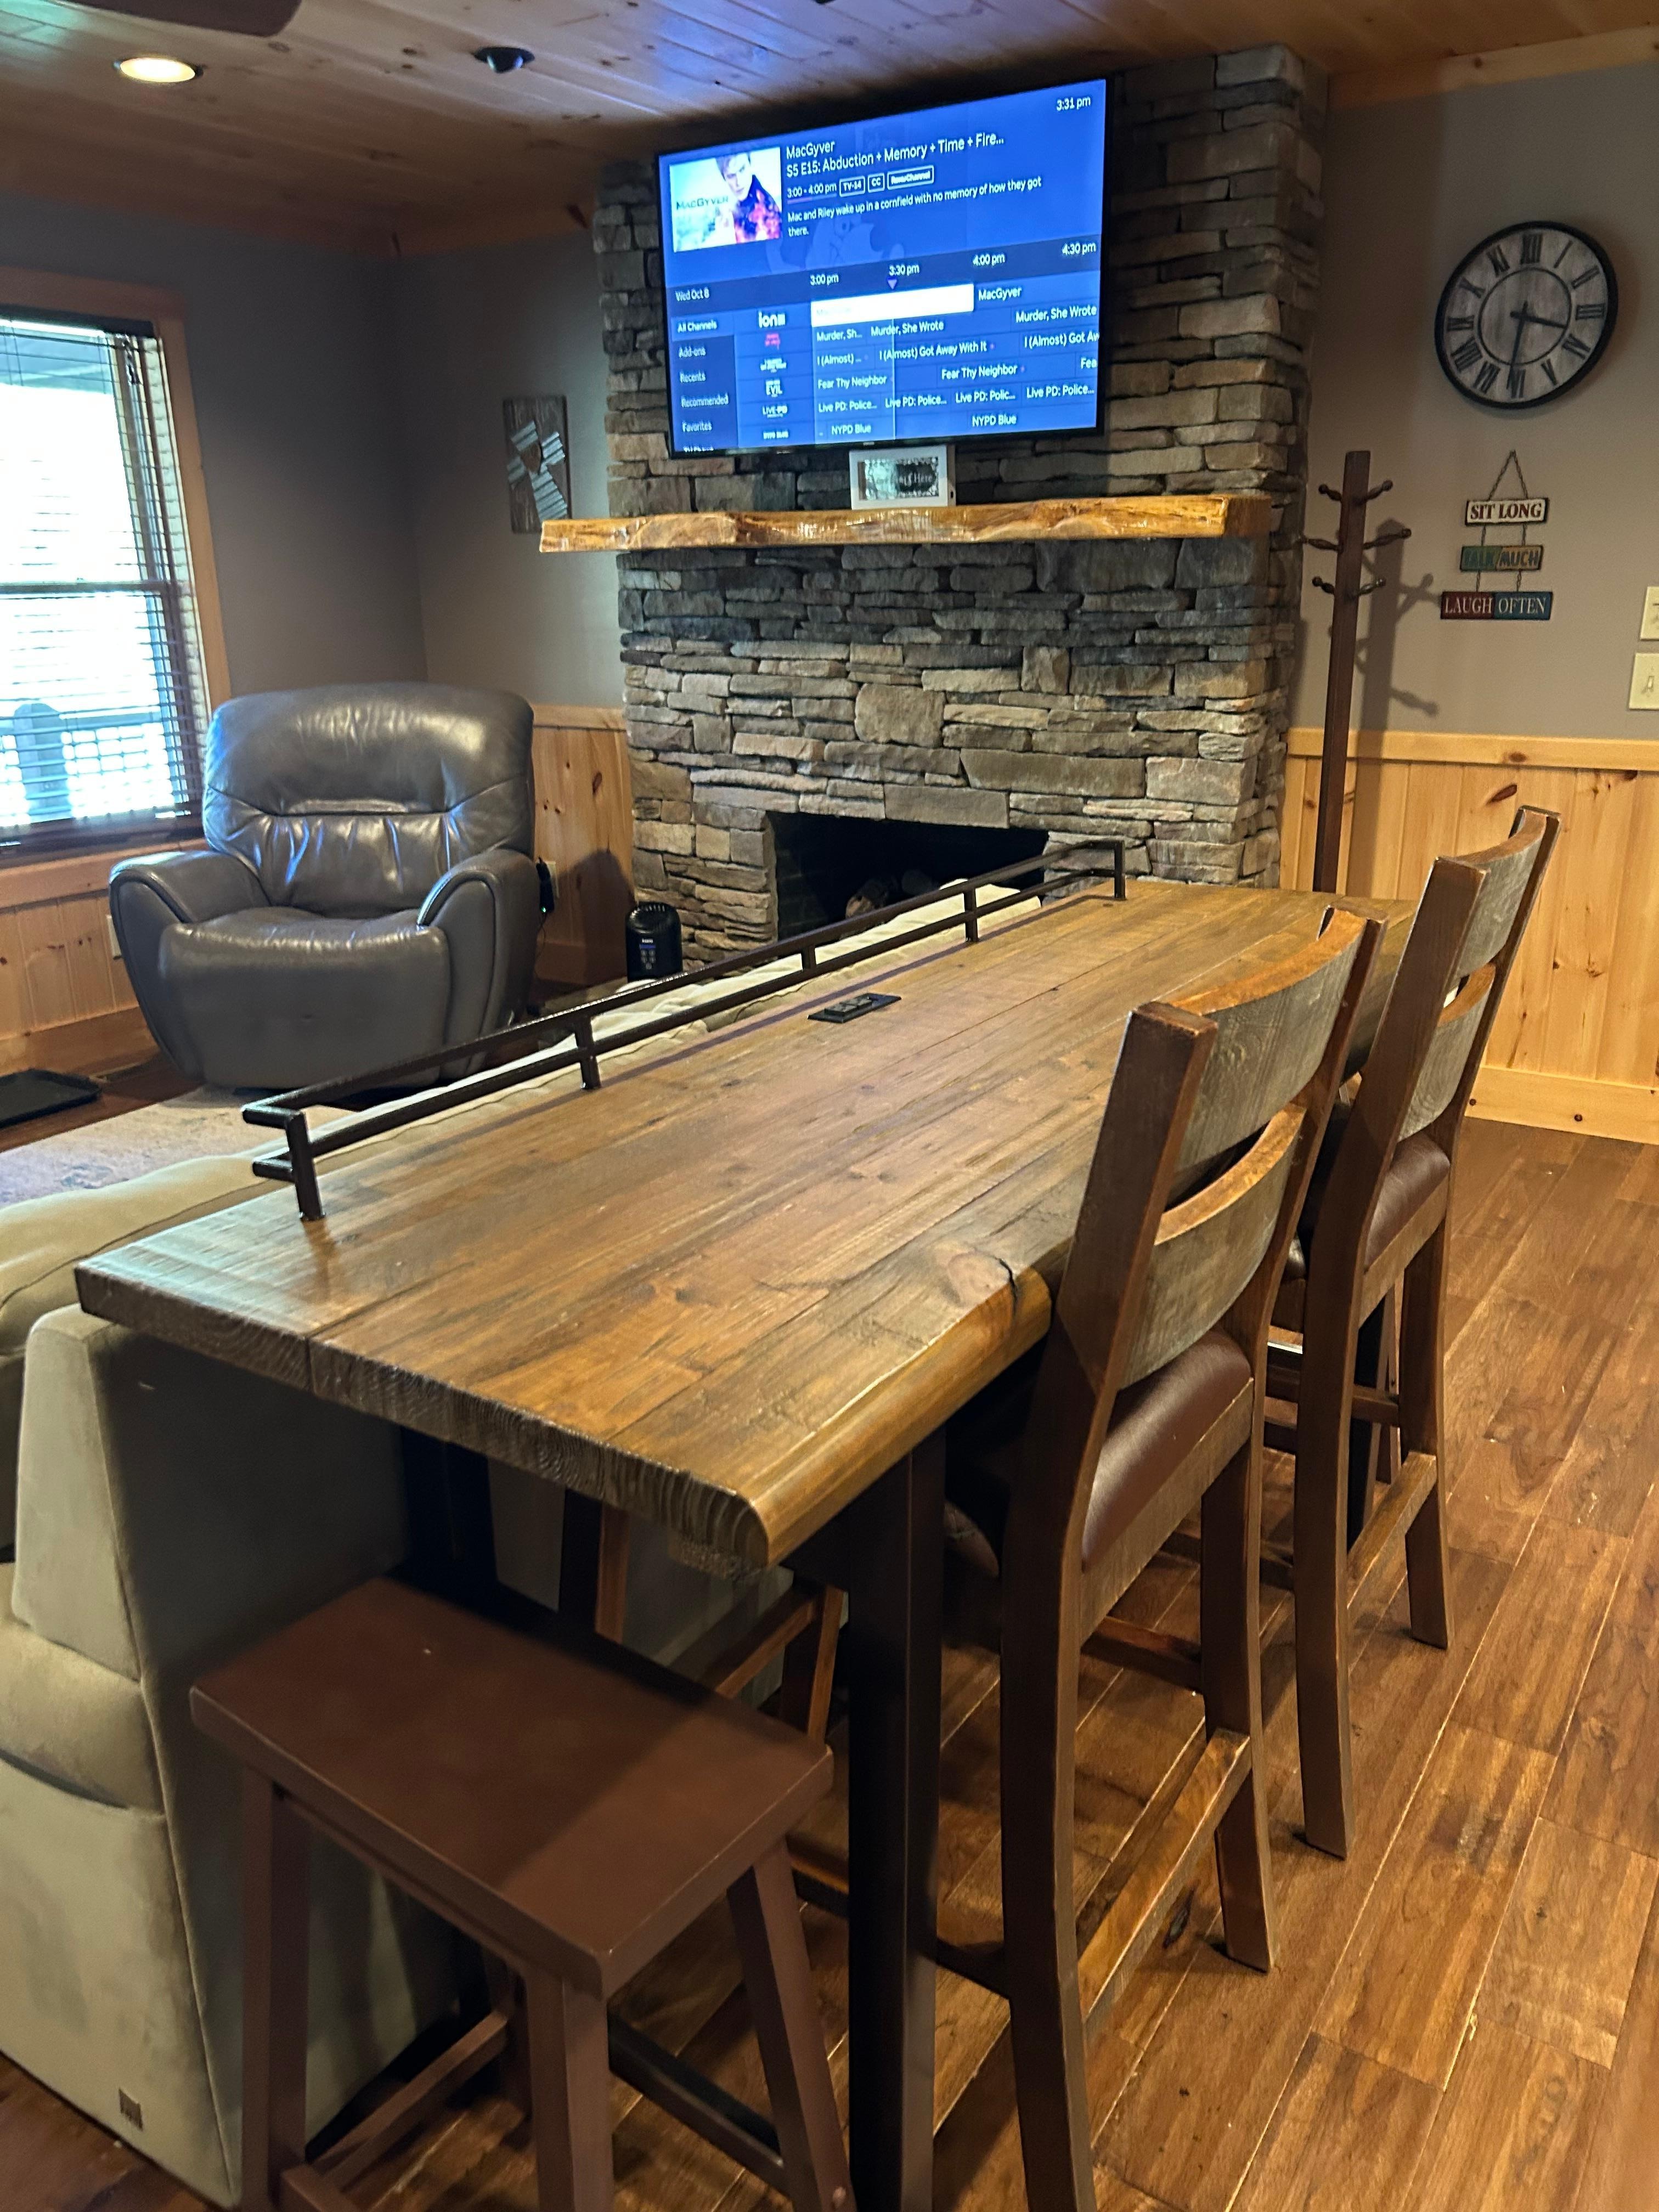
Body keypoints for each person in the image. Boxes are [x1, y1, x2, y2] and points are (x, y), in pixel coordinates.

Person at [718, 151, 783, 242]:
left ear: (750, 165)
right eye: (731, 176)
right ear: (724, 177)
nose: (739, 182)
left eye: (742, 169)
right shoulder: (731, 209)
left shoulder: (765, 211)